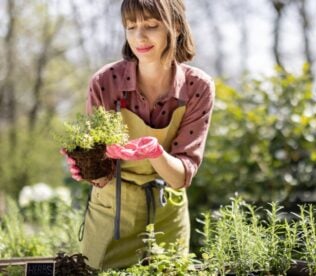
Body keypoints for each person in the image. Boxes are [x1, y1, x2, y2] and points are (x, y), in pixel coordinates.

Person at [62, 0, 214, 270]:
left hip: (168, 209)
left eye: (151, 26)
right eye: (131, 27)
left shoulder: (197, 88)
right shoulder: (106, 82)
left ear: (176, 27)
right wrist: (86, 165)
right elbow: (99, 169)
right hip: (113, 211)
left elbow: (180, 176)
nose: (139, 37)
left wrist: (154, 152)